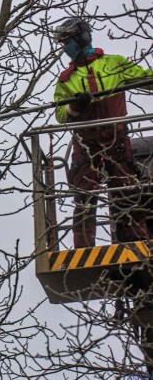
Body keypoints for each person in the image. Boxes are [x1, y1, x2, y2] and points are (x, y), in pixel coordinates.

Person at [53, 17, 153, 248]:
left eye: (67, 40)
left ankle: (135, 243)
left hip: (116, 139)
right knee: (84, 199)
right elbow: (60, 115)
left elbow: (146, 78)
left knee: (126, 191)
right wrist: (74, 106)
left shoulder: (113, 64)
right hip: (86, 144)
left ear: (81, 37)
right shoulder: (66, 80)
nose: (64, 47)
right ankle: (84, 248)